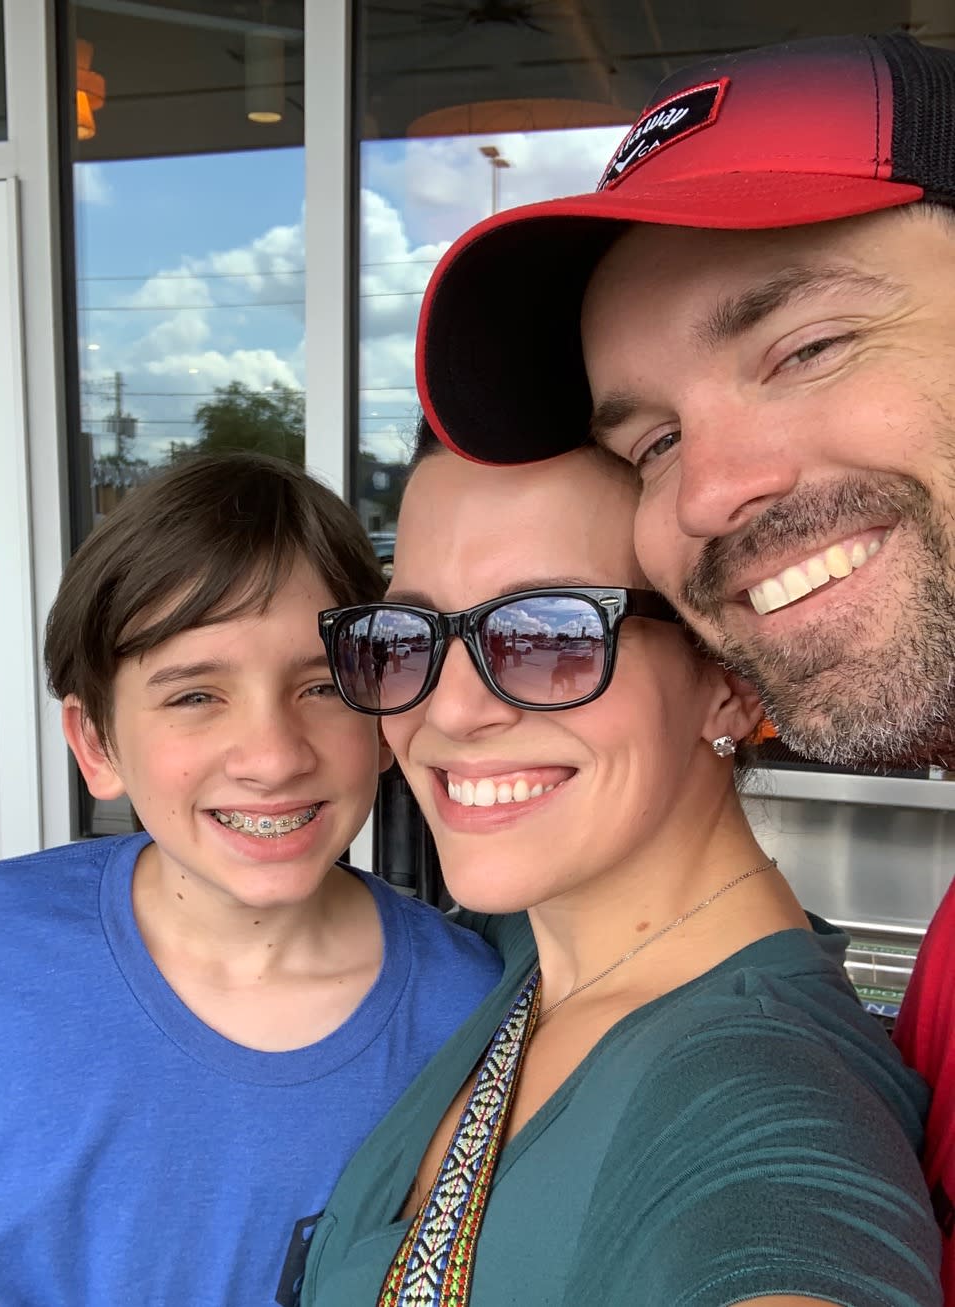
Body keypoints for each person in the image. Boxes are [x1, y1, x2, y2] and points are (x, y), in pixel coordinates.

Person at [409, 32, 955, 1296]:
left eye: (807, 346)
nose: (708, 493)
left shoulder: (763, 1094)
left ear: (721, 686)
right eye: (653, 438)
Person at [305, 429, 940, 1307]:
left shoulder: (769, 1092)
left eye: (547, 631)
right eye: (408, 634)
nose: (447, 709)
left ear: (732, 676)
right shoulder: (525, 942)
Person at [0, 451, 502, 1307]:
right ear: (96, 742)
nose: (275, 756)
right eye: (195, 696)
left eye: (322, 686)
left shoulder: (470, 1011)